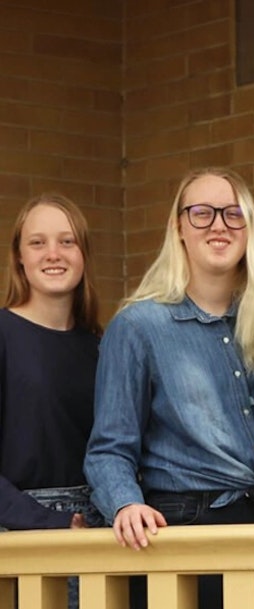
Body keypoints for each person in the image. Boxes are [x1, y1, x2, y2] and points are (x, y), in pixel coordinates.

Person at [84, 168, 254, 609]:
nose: (219, 225)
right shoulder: (139, 327)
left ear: (250, 229)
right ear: (178, 227)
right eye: (201, 213)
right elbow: (108, 449)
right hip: (186, 532)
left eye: (233, 214)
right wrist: (125, 505)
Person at [2, 194, 103, 609]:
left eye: (67, 242)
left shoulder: (101, 346)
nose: (53, 254)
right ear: (19, 258)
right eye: (37, 243)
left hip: (101, 525)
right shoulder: (3, 335)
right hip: (24, 529)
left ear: (83, 255)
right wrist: (48, 522)